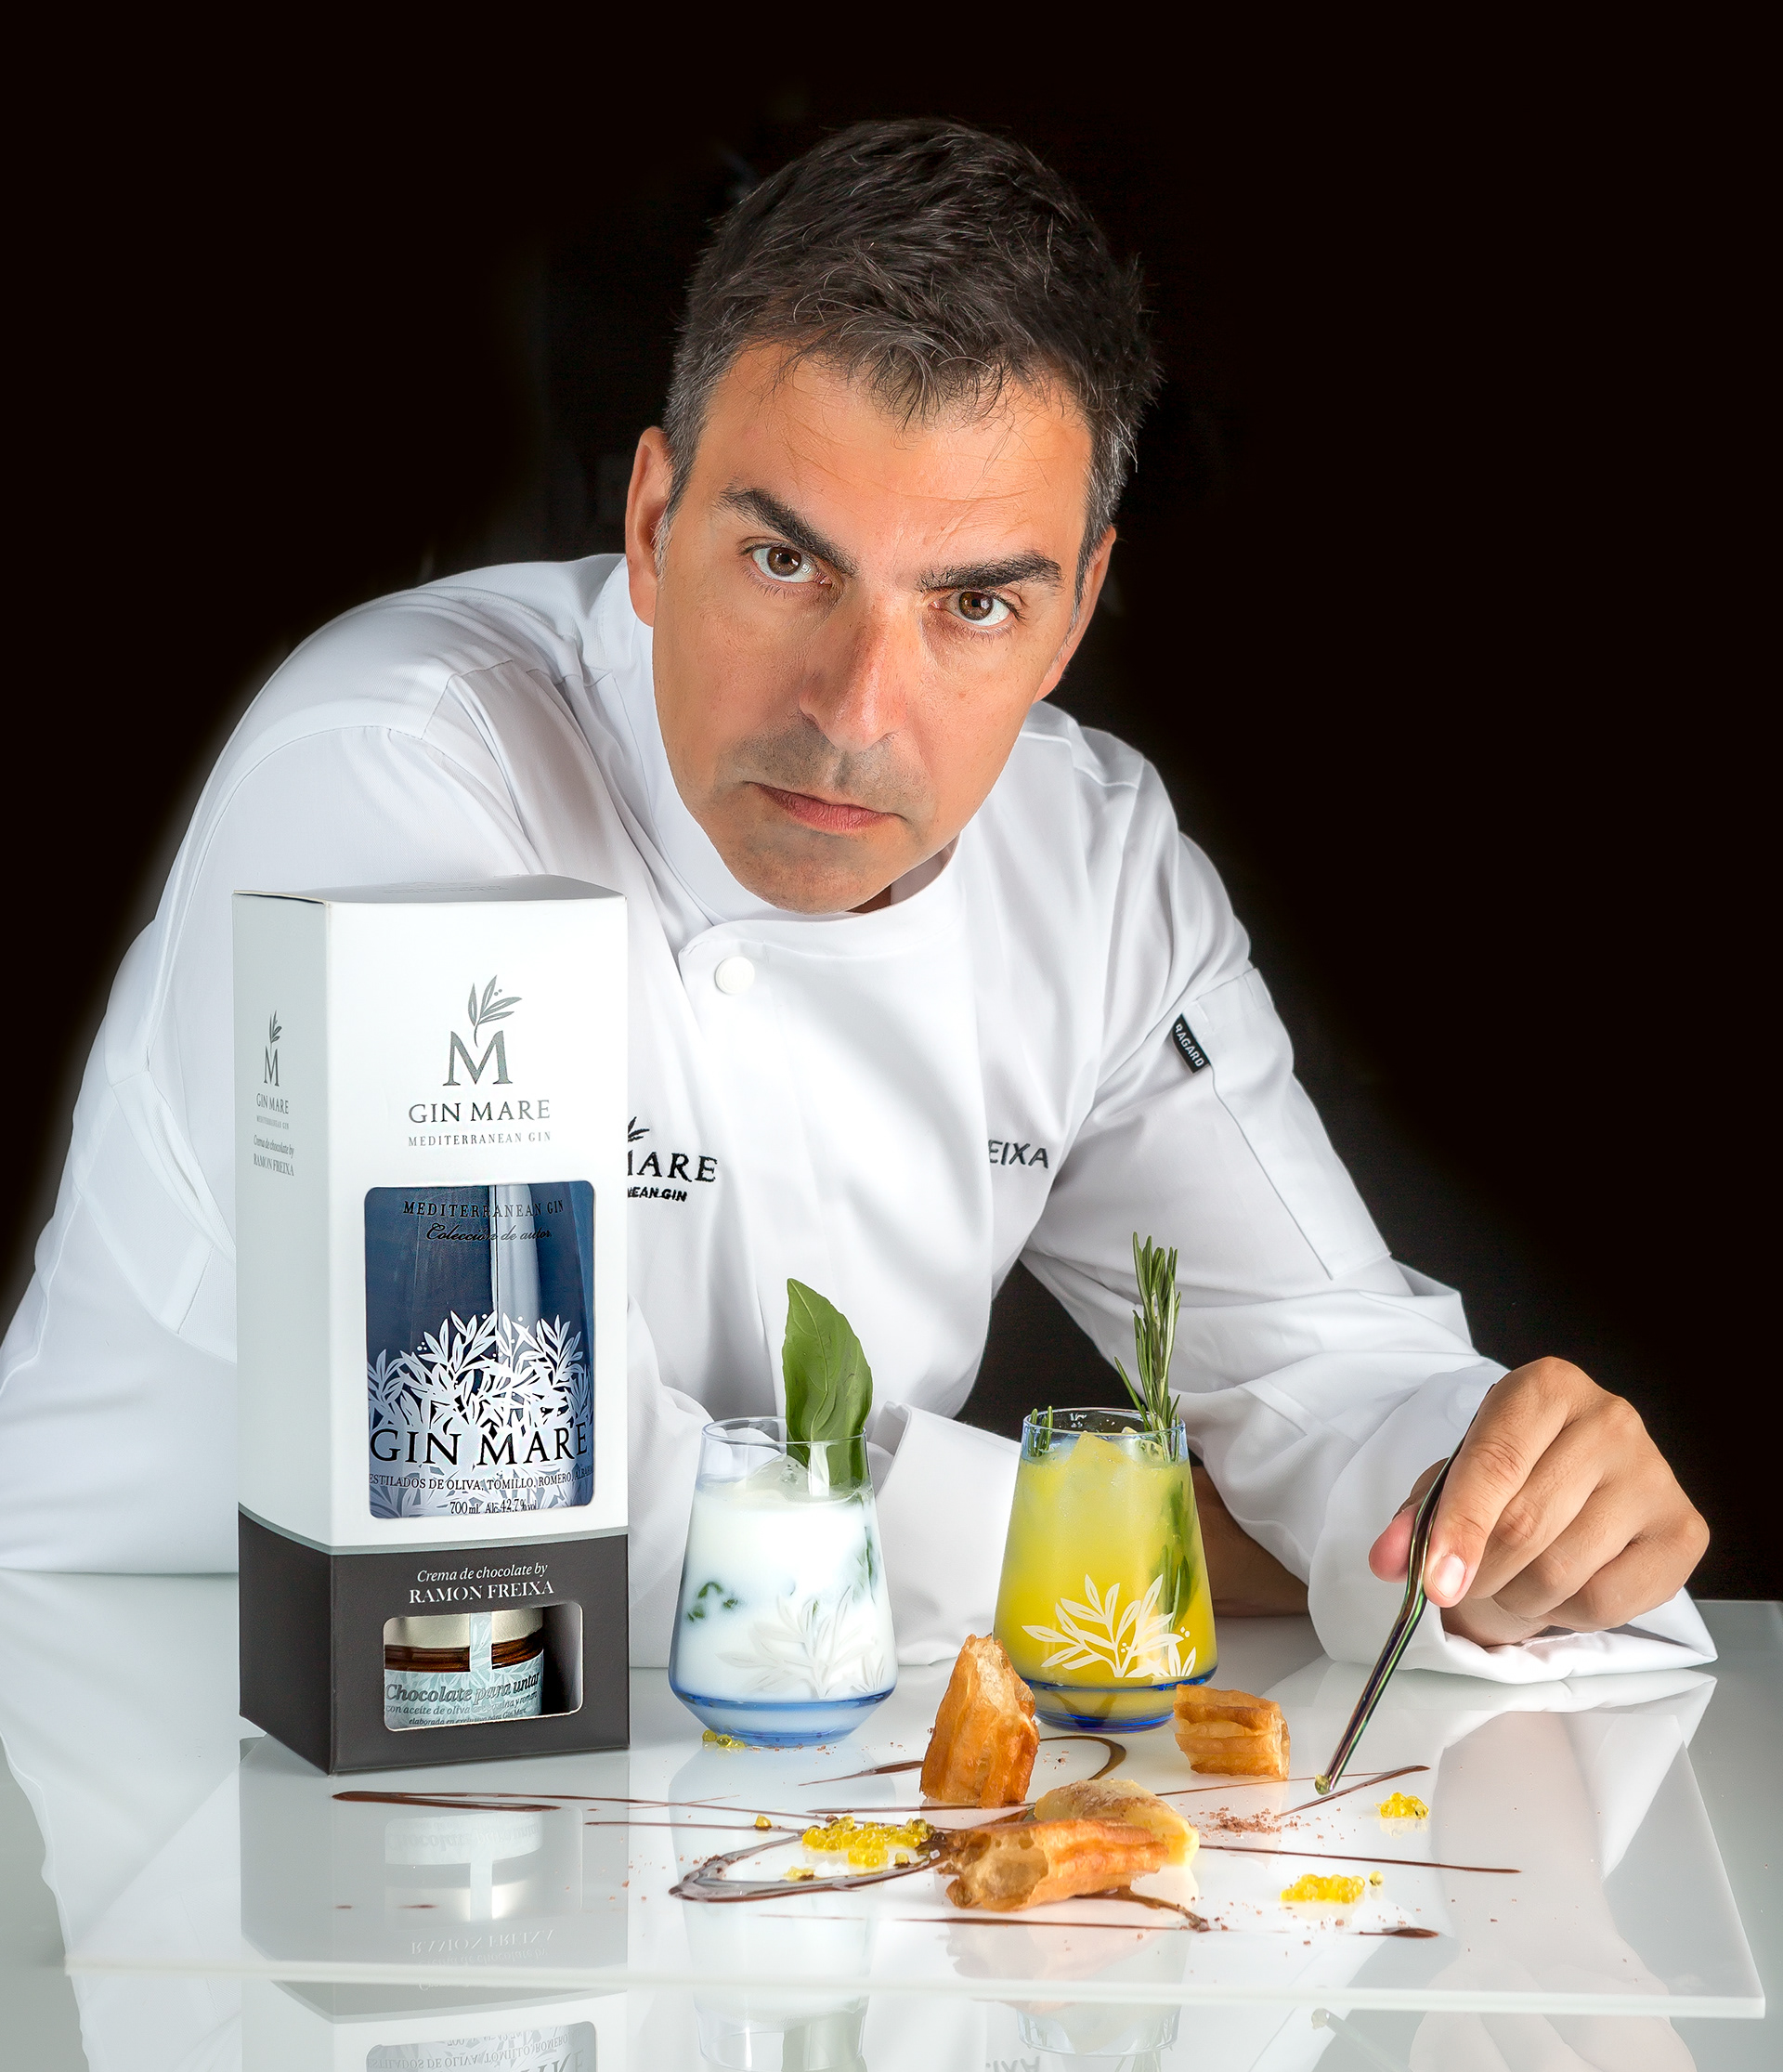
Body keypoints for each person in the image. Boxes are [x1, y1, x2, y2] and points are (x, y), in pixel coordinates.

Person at [0, 119, 1710, 1680]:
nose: (855, 710)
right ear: (652, 520)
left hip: (787, 1757)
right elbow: (490, 1475)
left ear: (1077, 609)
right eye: (785, 561)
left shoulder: (1093, 867)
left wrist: (1494, 1503)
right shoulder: (393, 768)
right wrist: (1135, 1536)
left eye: (974, 605)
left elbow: (1322, 1365)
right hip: (155, 1717)